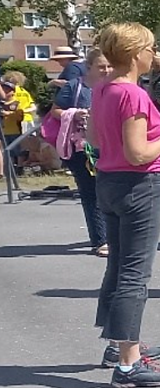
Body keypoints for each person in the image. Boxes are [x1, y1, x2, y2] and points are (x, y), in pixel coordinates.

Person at [90, 22, 160, 388]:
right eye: (151, 48)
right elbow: (138, 154)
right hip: (139, 185)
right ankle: (128, 363)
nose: (154, 54)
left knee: (119, 267)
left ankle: (119, 345)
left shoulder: (103, 88)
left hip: (109, 181)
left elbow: (93, 136)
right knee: (135, 274)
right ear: (136, 53)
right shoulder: (133, 94)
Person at [43, 48, 109, 256]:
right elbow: (55, 110)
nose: (106, 70)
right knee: (91, 193)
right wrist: (73, 114)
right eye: (101, 66)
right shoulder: (75, 86)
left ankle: (116, 236)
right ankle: (100, 240)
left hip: (111, 145)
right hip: (81, 147)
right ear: (89, 67)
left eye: (109, 66)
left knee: (112, 192)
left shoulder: (115, 85)